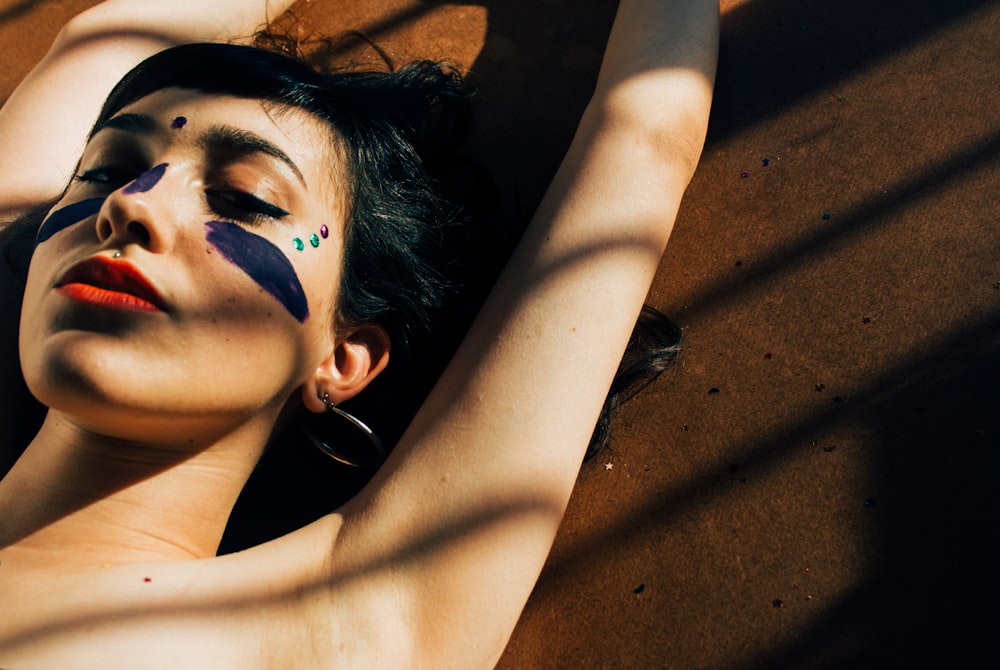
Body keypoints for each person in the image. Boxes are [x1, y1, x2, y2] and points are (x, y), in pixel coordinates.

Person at [0, 0, 718, 666]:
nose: (131, 205)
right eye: (105, 171)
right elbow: (98, 43)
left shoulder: (341, 627)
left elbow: (647, 135)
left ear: (344, 359)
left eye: (245, 200)